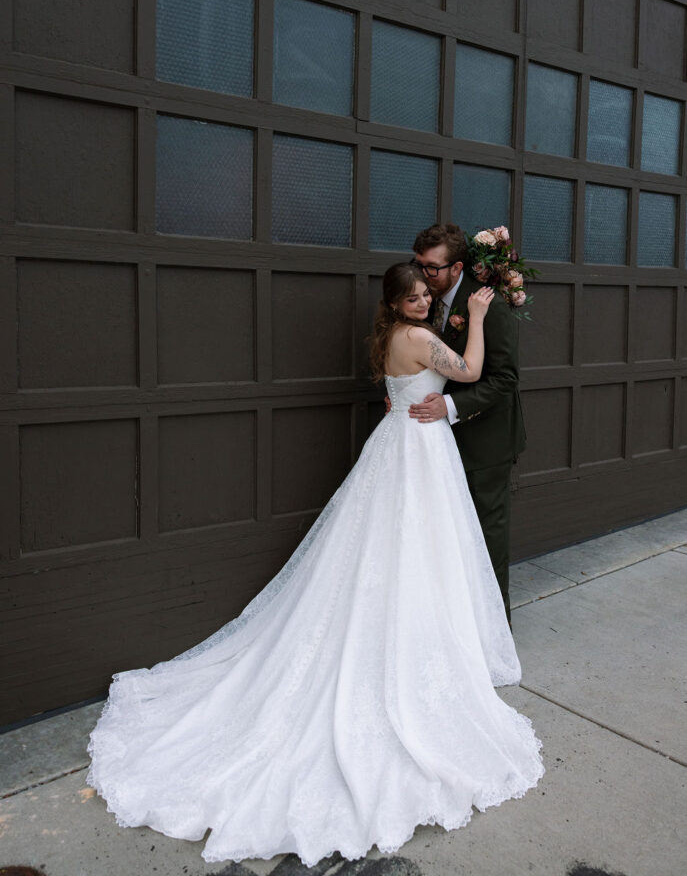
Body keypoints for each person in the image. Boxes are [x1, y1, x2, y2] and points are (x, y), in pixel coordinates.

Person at [87, 263, 542, 867]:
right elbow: (475, 372)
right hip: (417, 451)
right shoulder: (418, 337)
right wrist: (479, 318)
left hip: (402, 444)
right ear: (398, 303)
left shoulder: (389, 337)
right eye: (413, 296)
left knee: (397, 550)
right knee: (415, 547)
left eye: (424, 293)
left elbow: (410, 386)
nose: (421, 300)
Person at [411, 224, 526, 623]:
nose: (422, 274)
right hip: (434, 443)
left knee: (486, 540)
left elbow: (505, 378)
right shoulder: (421, 299)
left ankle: (497, 634)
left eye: (431, 268)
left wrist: (450, 406)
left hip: (486, 442)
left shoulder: (488, 304)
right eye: (419, 264)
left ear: (457, 266)